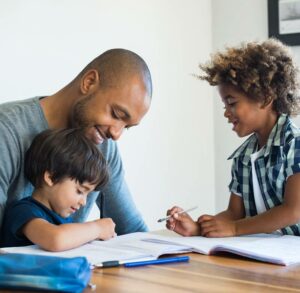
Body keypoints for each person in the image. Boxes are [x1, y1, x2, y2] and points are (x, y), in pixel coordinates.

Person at [0, 49, 152, 235]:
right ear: (89, 83)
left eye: (126, 127)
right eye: (116, 114)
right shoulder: (6, 130)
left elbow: (133, 230)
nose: (116, 134)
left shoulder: (104, 145)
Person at [166, 39, 300, 237]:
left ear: (265, 98)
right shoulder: (243, 157)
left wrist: (236, 229)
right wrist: (197, 228)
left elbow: (293, 211)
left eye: (232, 103)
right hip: (263, 256)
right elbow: (234, 214)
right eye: (225, 105)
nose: (226, 113)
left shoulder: (294, 146)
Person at [1, 128, 116, 251]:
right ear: (51, 177)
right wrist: (97, 228)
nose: (84, 202)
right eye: (80, 191)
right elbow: (55, 240)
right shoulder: (24, 211)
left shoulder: (63, 219)